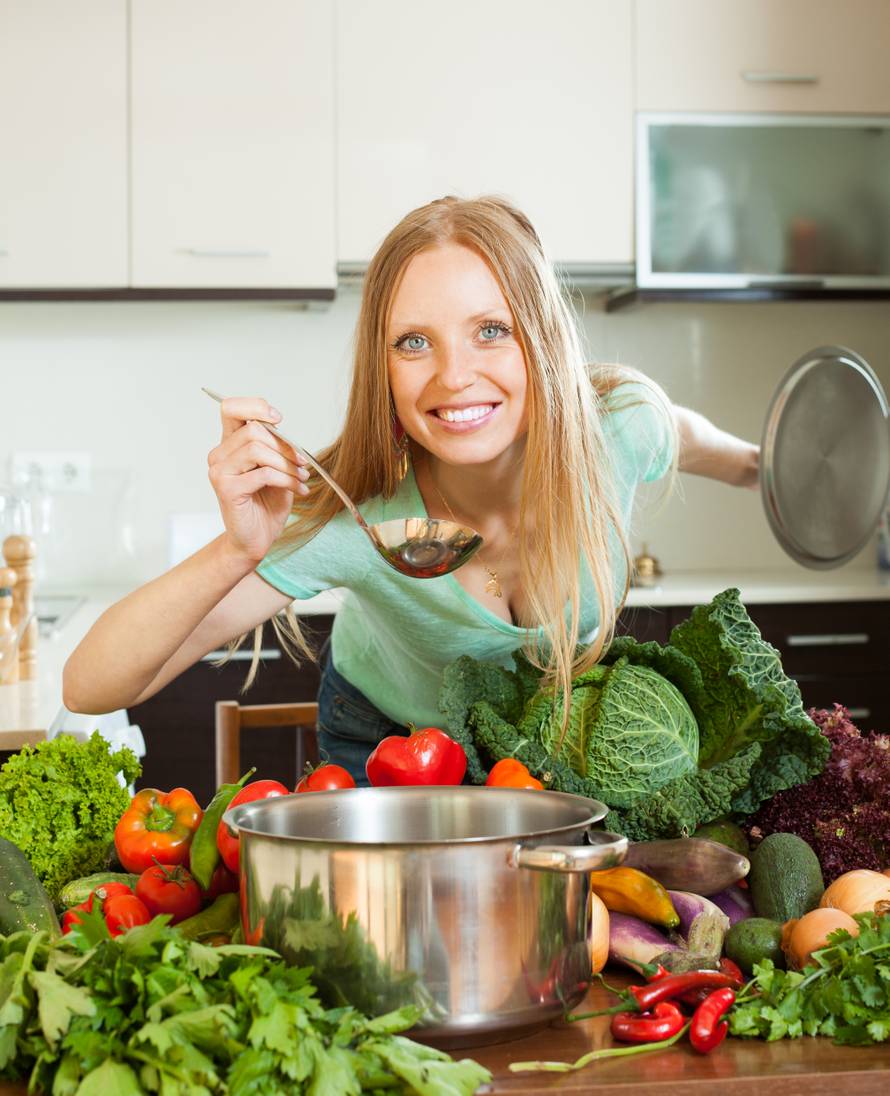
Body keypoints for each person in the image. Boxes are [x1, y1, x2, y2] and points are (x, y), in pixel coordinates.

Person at [63, 195, 759, 785]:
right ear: (383, 369)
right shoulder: (359, 521)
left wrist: (774, 473)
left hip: (550, 734)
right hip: (385, 742)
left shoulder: (619, 427)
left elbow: (696, 439)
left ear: (541, 340)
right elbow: (91, 687)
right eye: (413, 343)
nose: (454, 376)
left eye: (491, 331)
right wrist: (235, 551)